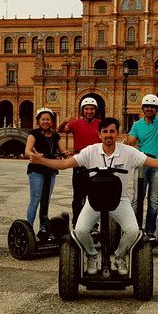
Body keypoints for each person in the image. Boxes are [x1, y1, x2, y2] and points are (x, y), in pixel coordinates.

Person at [30, 117, 158, 275]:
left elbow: (152, 162)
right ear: (99, 134)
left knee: (133, 231)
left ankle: (119, 256)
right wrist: (41, 160)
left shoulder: (128, 152)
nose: (108, 135)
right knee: (81, 230)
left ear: (117, 133)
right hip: (94, 201)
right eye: (105, 131)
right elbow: (64, 164)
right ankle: (92, 255)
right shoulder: (90, 151)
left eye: (112, 131)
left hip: (120, 201)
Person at [125, 94, 158, 239]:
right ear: (143, 108)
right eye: (147, 106)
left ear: (156, 109)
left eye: (152, 107)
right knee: (137, 198)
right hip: (142, 163)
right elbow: (131, 141)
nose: (149, 109)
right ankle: (134, 229)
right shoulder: (137, 125)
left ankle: (149, 231)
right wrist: (128, 140)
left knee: (153, 199)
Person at [25, 107, 68, 238]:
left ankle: (43, 228)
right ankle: (29, 229)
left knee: (46, 200)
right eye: (43, 119)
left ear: (52, 121)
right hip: (37, 169)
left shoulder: (55, 135)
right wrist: (33, 156)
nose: (45, 122)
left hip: (50, 169)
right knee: (35, 200)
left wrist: (65, 153)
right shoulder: (34, 134)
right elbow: (27, 150)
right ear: (38, 121)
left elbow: (63, 150)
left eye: (48, 119)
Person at [58, 97, 101, 226]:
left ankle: (93, 224)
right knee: (78, 196)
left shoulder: (100, 123)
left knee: (94, 195)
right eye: (86, 109)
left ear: (96, 110)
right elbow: (60, 130)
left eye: (92, 109)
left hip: (95, 162)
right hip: (79, 163)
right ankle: (77, 222)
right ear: (82, 110)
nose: (89, 111)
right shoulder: (76, 123)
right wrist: (64, 121)